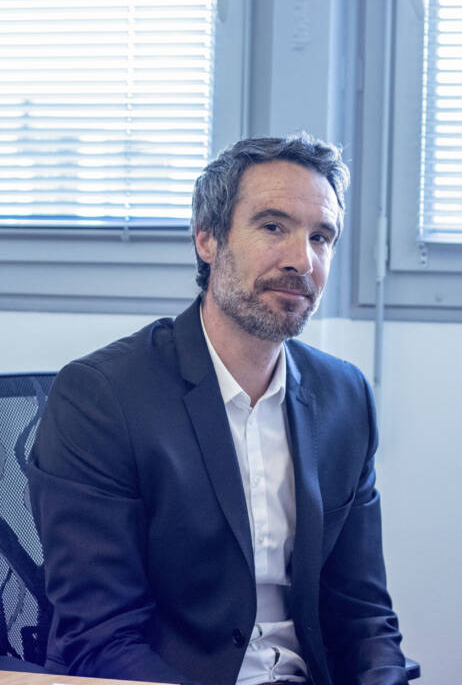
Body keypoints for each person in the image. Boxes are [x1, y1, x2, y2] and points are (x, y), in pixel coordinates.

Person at [29, 134, 408, 685]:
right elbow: (102, 636)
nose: (302, 260)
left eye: (320, 237)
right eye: (273, 227)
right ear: (207, 238)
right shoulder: (102, 396)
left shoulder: (345, 397)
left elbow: (365, 615)